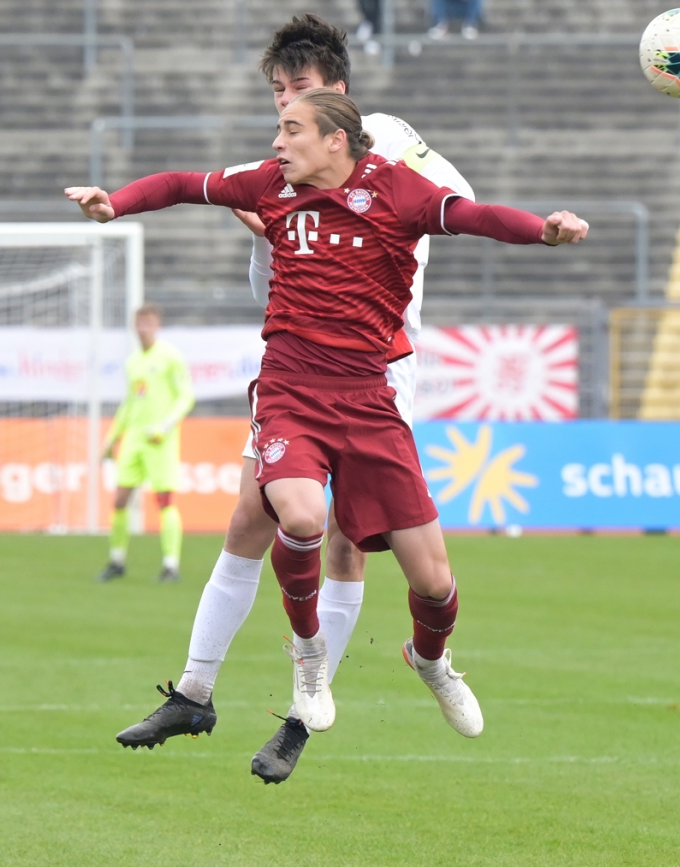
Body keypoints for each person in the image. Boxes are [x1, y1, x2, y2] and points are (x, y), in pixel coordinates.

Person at [67, 91, 586, 774]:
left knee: (432, 582)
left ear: (336, 140)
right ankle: (308, 662)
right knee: (302, 516)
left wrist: (542, 232)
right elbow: (183, 184)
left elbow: (475, 216)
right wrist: (118, 202)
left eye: (291, 129)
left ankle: (430, 660)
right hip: (291, 390)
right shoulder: (271, 184)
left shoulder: (398, 191)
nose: (277, 144)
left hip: (372, 400)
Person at [108, 13, 477, 783]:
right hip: (301, 368)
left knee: (346, 541)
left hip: (380, 368)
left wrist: (378, 209)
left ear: (339, 93)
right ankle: (196, 690)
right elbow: (262, 280)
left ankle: (302, 716)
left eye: (299, 89)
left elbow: (460, 198)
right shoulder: (288, 162)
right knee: (255, 515)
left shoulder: (383, 136)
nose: (285, 105)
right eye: (277, 91)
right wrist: (268, 231)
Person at [99, 303, 195, 583]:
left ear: (157, 325)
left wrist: (164, 426)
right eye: (139, 324)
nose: (143, 329)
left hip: (159, 441)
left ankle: (171, 565)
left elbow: (186, 396)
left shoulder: (170, 357)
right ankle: (117, 561)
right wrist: (112, 439)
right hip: (134, 439)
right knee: (119, 500)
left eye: (148, 323)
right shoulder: (133, 362)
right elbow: (130, 404)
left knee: (164, 501)